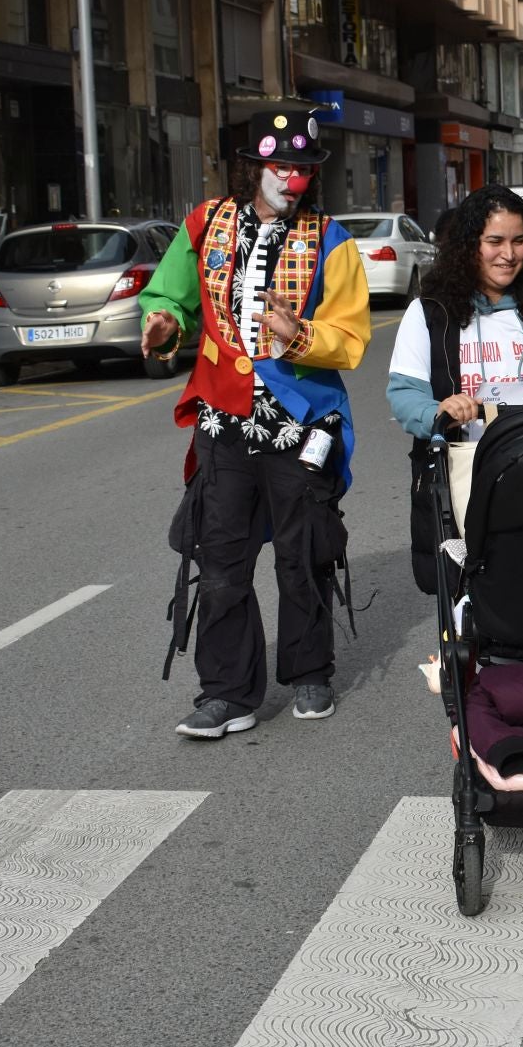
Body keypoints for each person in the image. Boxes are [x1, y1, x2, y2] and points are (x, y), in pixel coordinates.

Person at [138, 106, 372, 738]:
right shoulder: (205, 224)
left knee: (302, 555)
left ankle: (309, 672)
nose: (292, 180)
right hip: (222, 424)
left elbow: (350, 337)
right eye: (281, 166)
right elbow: (170, 296)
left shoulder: (331, 238)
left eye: (302, 169)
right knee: (219, 561)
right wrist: (165, 325)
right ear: (254, 168)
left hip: (299, 424)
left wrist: (301, 336)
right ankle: (228, 693)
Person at [388, 188, 523, 589]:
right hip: (463, 470)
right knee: (472, 598)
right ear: (469, 245)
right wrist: (437, 410)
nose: (508, 254)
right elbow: (405, 395)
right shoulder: (430, 311)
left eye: (519, 241)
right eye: (494, 241)